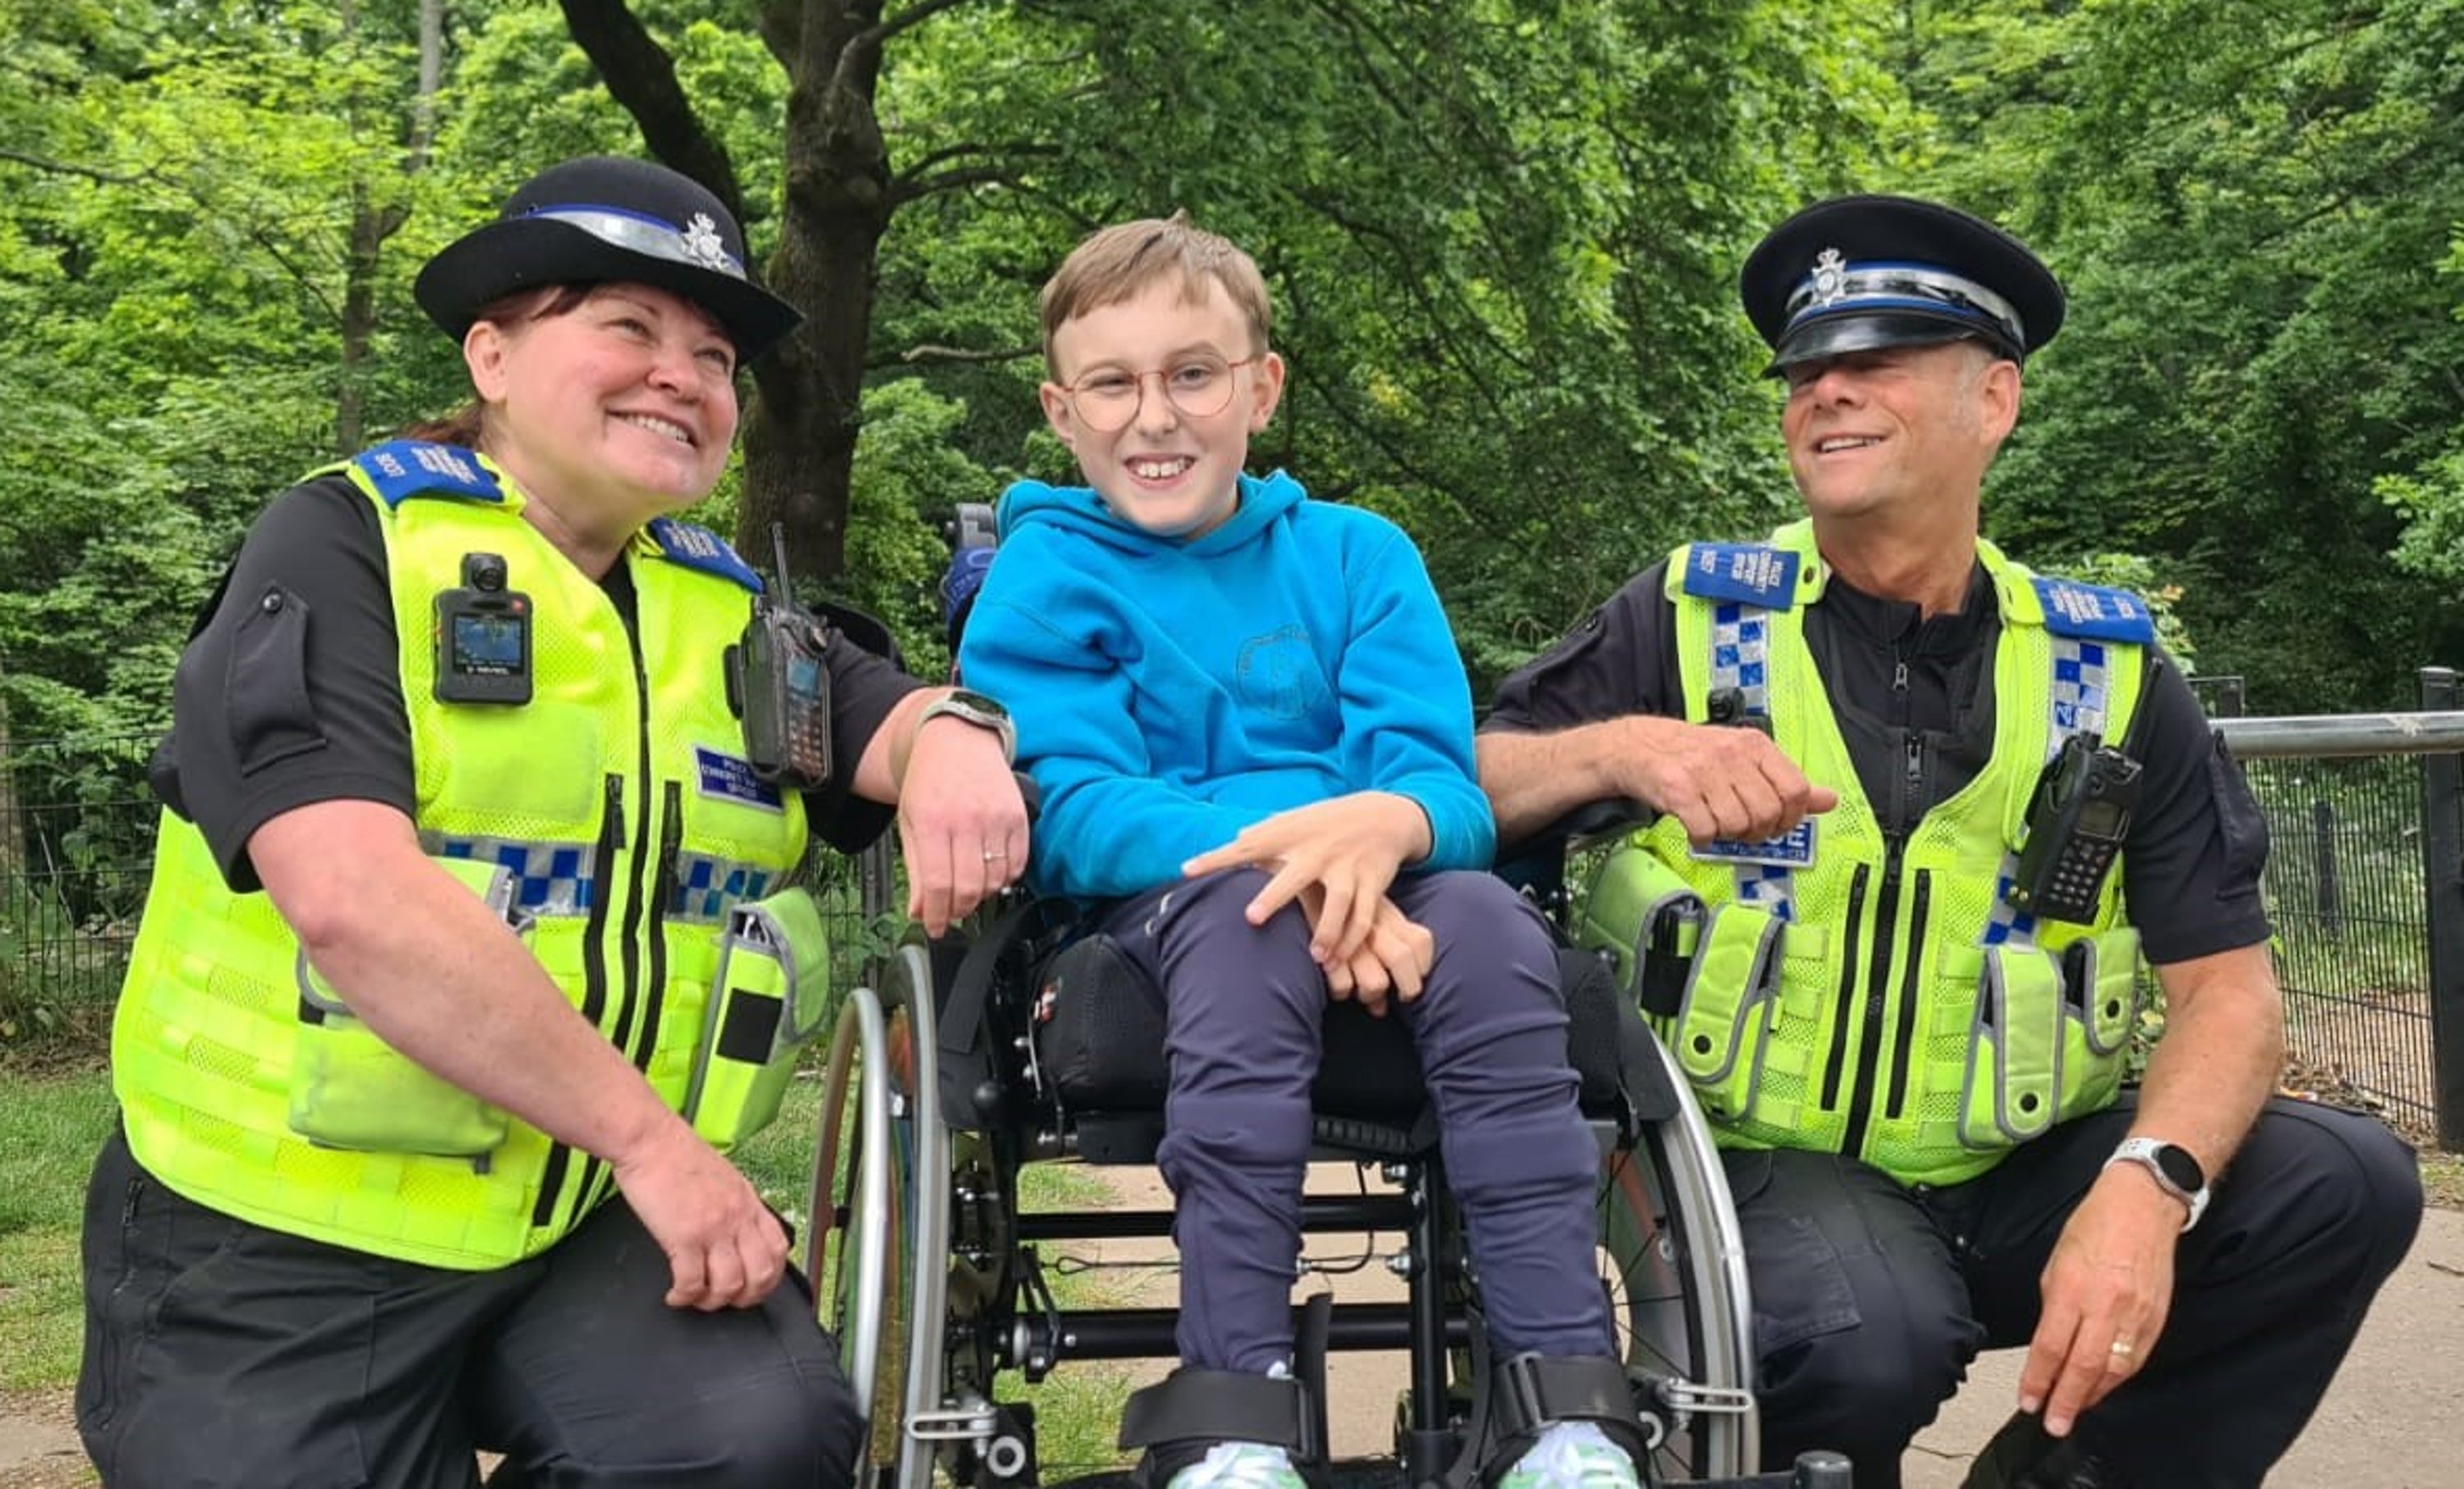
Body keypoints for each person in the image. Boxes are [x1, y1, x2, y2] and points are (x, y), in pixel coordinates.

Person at [77, 155, 1028, 1489]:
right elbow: (353, 900)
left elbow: (886, 714)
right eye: (629, 329)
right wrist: (659, 1147)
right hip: (280, 1234)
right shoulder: (346, 546)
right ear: (494, 354)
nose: (680, 376)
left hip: (571, 1218)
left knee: (752, 1436)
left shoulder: (728, 612)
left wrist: (952, 739)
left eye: (712, 356)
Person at [1475, 192, 2424, 1489]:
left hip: (2025, 1169)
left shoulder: (2111, 669)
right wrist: (1625, 748)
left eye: (1876, 364)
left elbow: (2233, 996)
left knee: (2346, 1183)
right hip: (1751, 1165)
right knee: (1865, 1336)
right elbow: (1464, 780)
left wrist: (2150, 1185)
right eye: (1808, 371)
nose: (1827, 394)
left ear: (1995, 402)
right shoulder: (1694, 617)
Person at [954, 214, 1655, 1489]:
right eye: (1112, 382)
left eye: (1192, 373)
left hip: (1399, 883)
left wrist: (1381, 831)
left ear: (1259, 387)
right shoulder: (1043, 578)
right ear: (1062, 412)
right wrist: (1308, 854)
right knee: (1251, 917)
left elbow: (1437, 783)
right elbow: (1077, 809)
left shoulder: (1358, 556)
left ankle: (1568, 1412)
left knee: (1498, 928)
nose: (1152, 415)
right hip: (1168, 913)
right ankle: (1234, 1413)